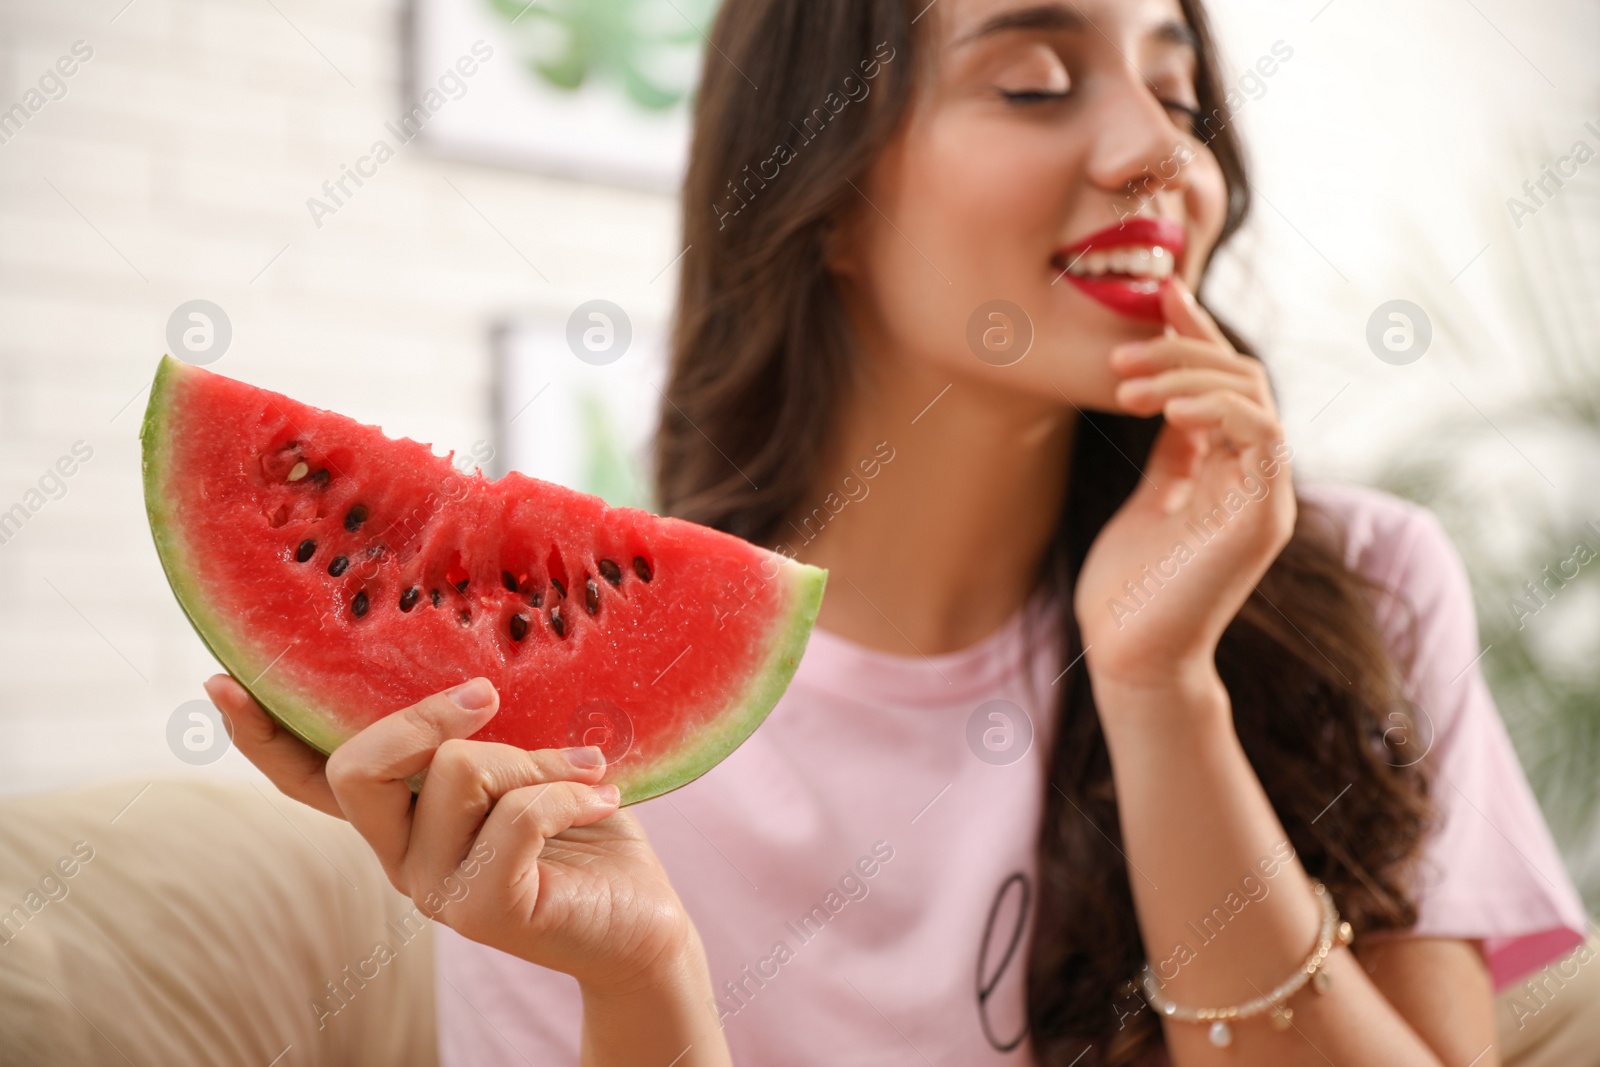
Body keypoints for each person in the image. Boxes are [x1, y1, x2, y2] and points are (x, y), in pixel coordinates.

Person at [206, 0, 1589, 1063]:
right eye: (1034, 82)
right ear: (826, 199)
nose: (1160, 152)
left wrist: (1162, 690)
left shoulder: (1367, 585)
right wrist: (639, 981)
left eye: (1180, 90)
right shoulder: (563, 716)